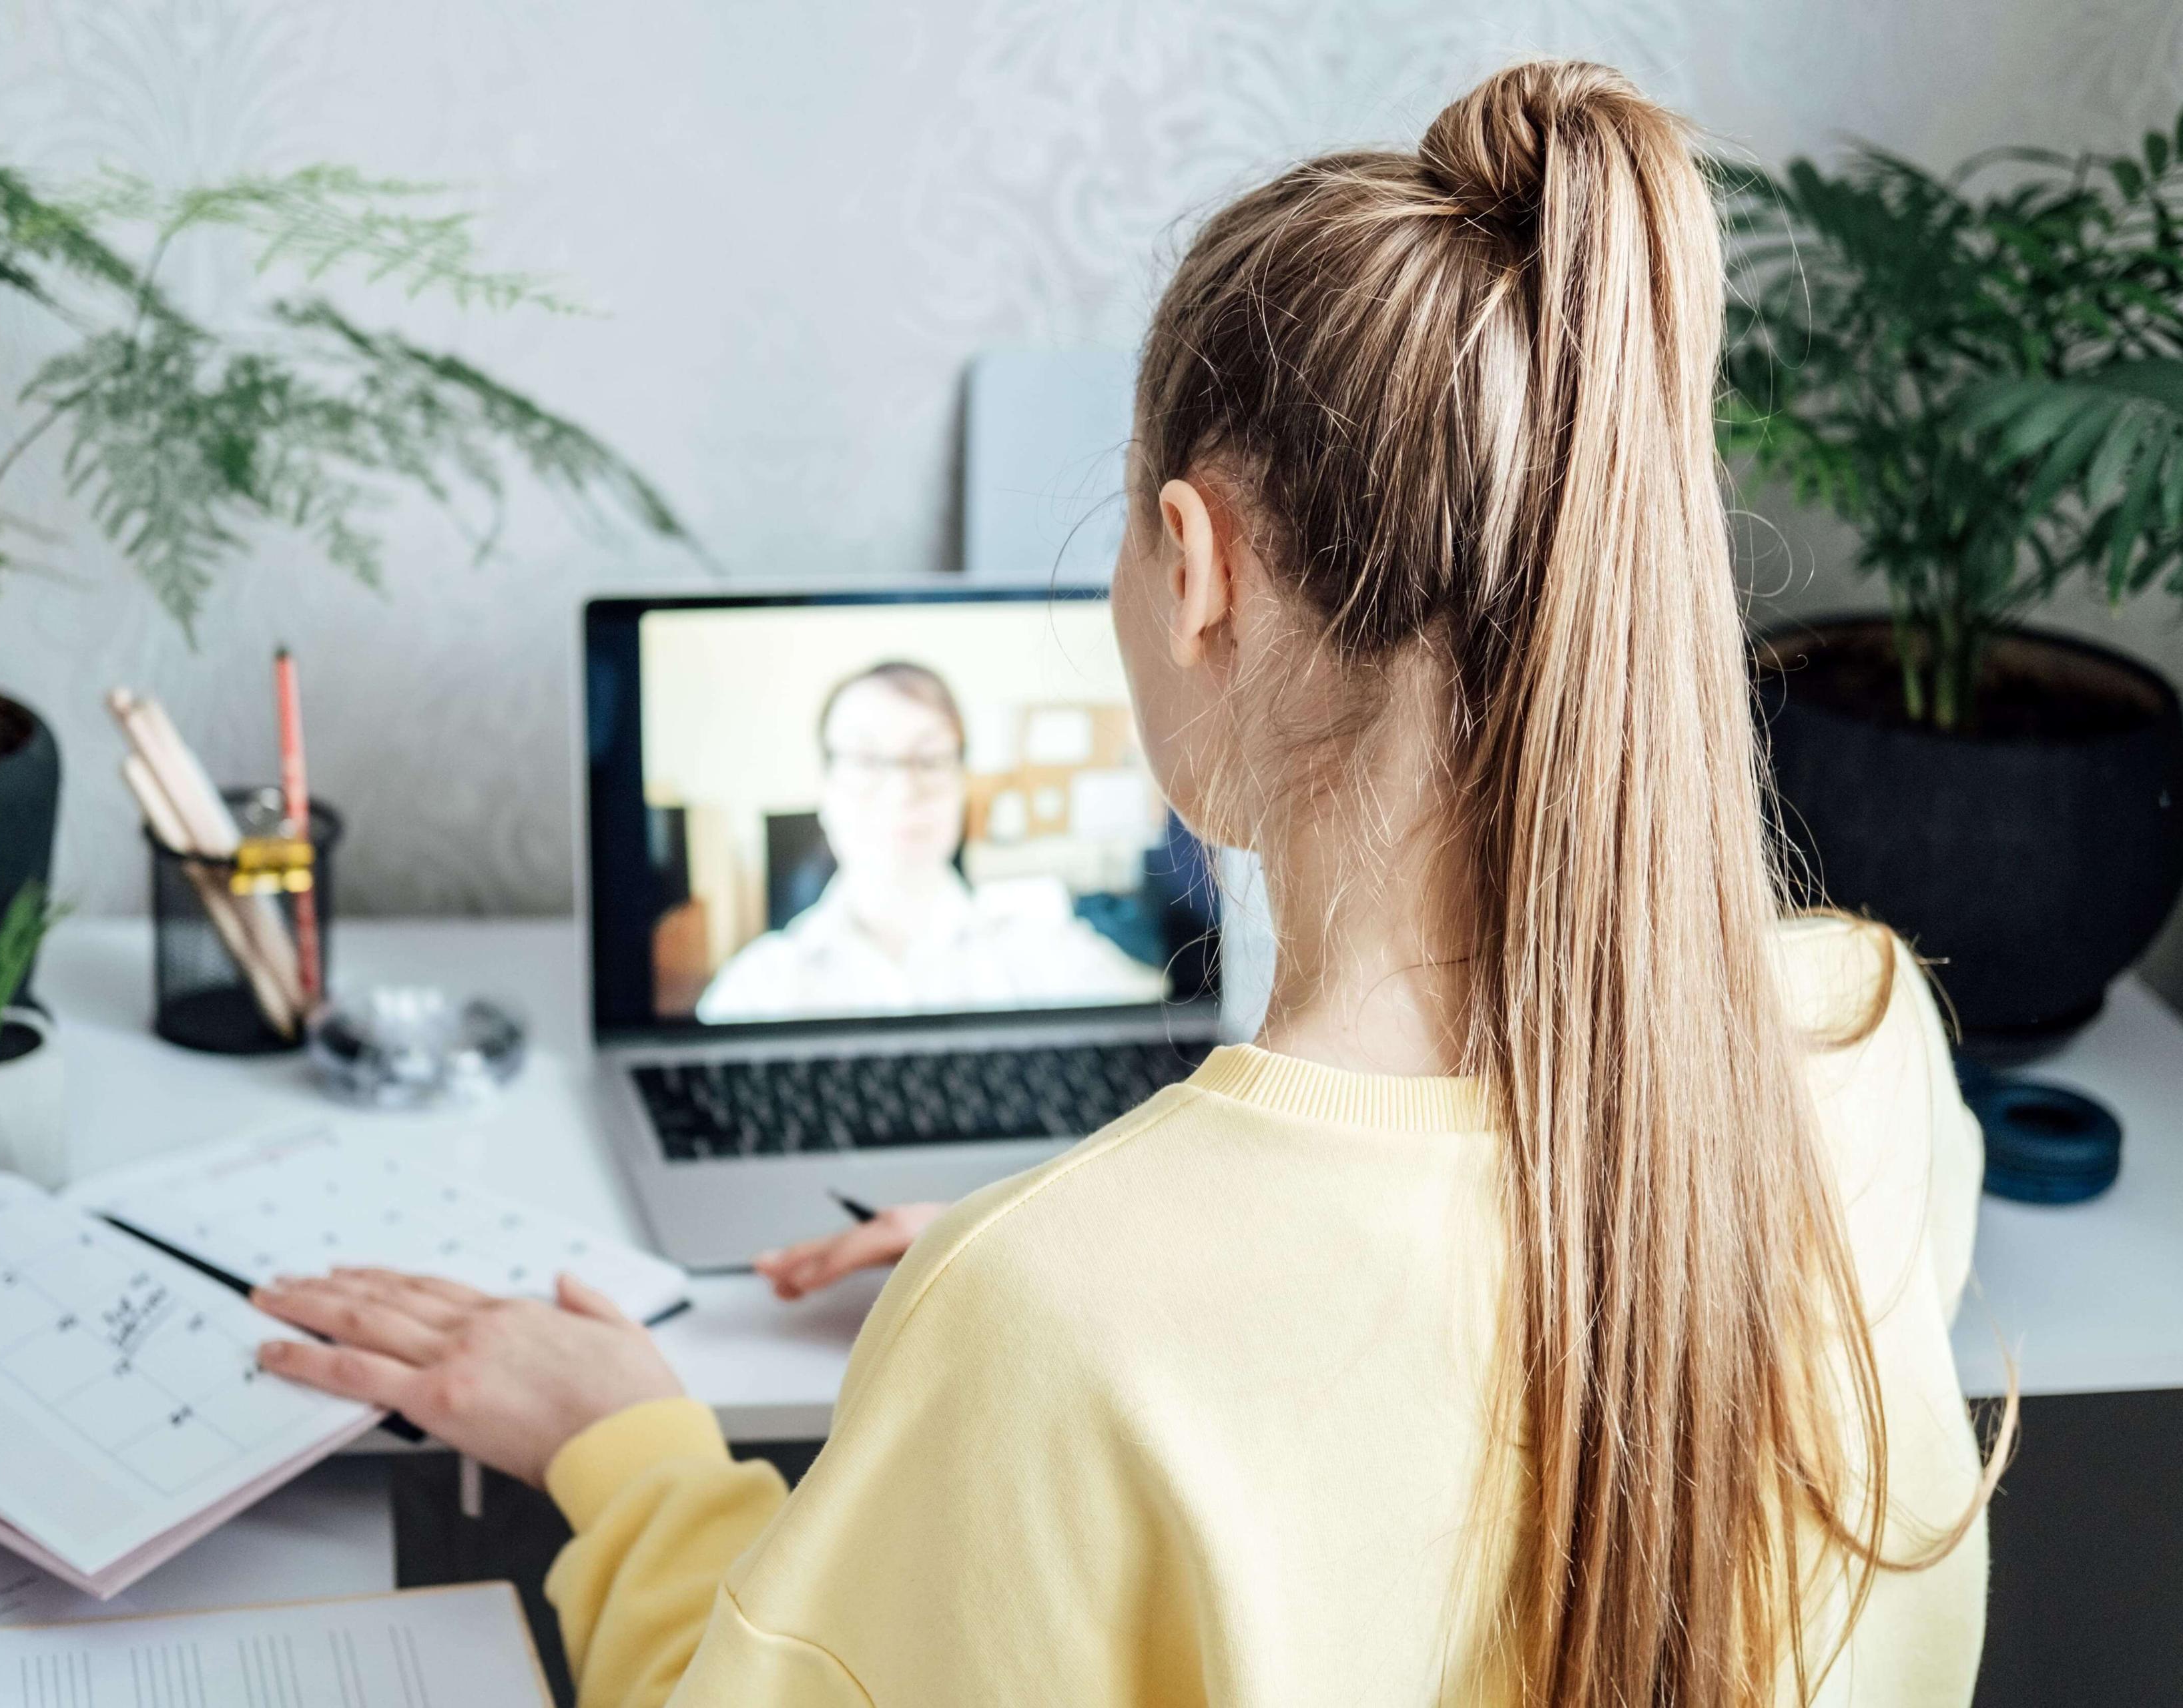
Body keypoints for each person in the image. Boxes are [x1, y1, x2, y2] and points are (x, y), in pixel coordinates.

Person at [253, 61, 2002, 1707]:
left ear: (1194, 564)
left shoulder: (1047, 1316)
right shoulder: (1859, 1036)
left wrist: (627, 1453)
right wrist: (1121, 1282)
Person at [692, 659, 1167, 1022]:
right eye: (866, 759)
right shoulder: (755, 990)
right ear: (825, 789)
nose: (903, 790)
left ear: (962, 783)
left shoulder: (1052, 956)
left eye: (930, 759)